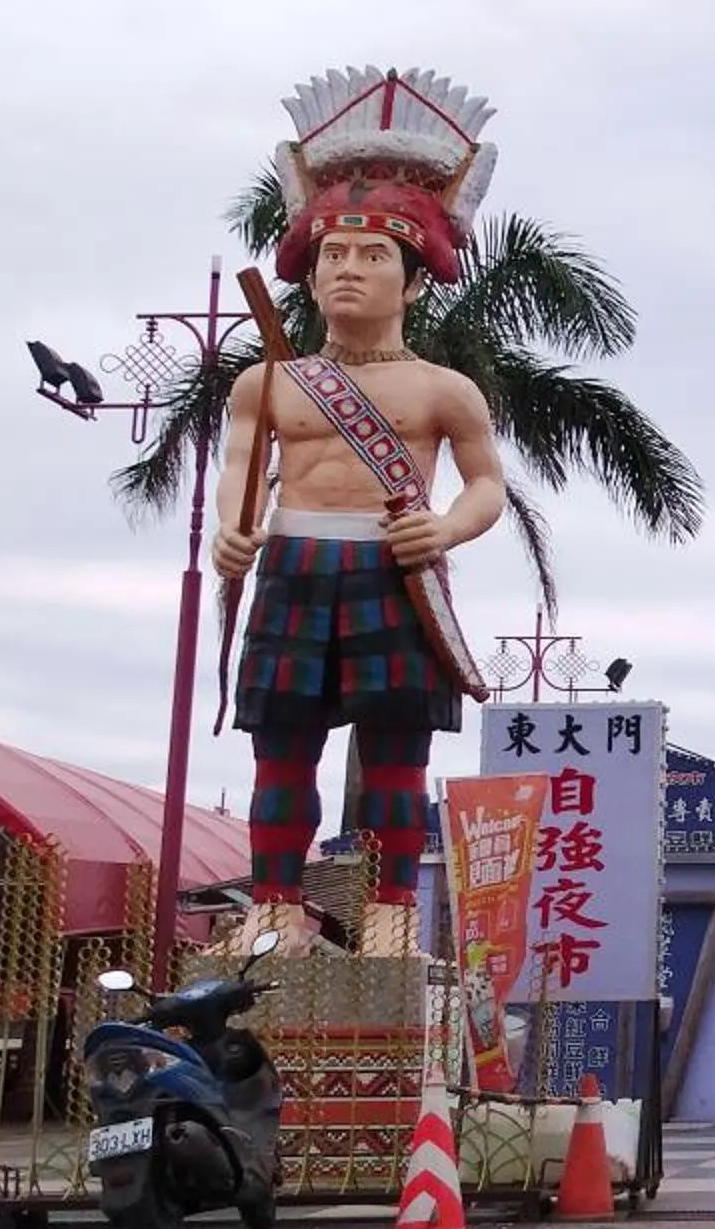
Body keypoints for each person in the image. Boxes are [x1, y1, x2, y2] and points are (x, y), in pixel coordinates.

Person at [211, 68, 508, 959]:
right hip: (296, 566)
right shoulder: (266, 382)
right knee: (281, 749)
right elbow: (241, 468)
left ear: (414, 281)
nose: (349, 271)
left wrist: (445, 528)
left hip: (391, 568)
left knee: (394, 756)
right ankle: (273, 905)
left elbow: (486, 485)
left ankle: (389, 913)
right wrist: (231, 533)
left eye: (373, 256)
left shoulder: (442, 389)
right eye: (335, 256)